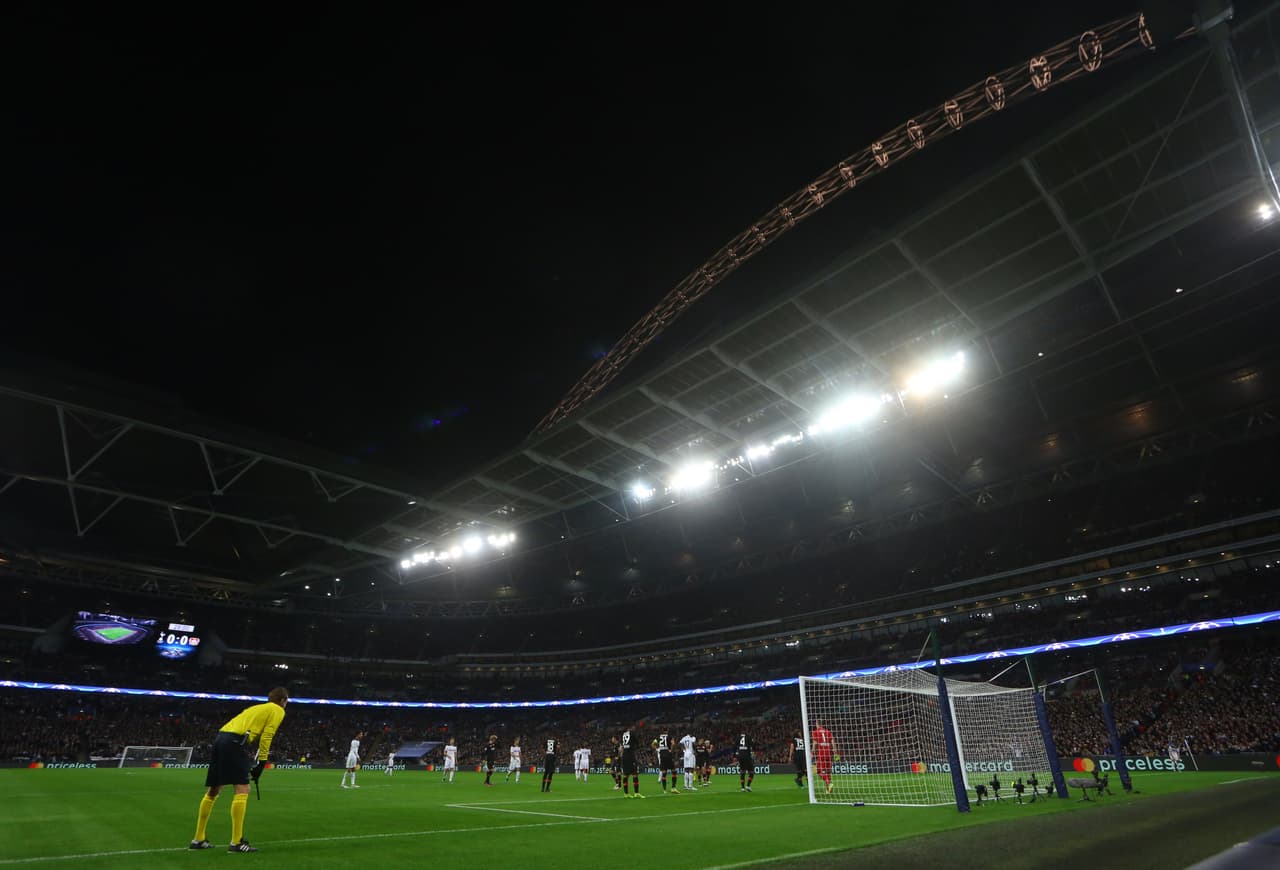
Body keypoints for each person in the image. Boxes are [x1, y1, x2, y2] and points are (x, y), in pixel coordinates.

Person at [189, 686, 288, 854]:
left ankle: (198, 839)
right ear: (283, 700)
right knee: (243, 789)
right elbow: (267, 735)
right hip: (235, 741)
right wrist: (262, 762)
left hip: (221, 737)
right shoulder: (277, 710)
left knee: (214, 790)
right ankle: (236, 842)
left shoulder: (256, 708)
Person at [811, 719, 834, 795]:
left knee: (819, 771)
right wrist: (835, 752)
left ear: (817, 724)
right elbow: (833, 742)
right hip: (829, 754)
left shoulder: (815, 732)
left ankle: (829, 783)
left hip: (822, 754)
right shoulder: (828, 732)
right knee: (828, 772)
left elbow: (815, 743)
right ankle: (829, 790)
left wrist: (812, 752)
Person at [619, 728, 644, 798]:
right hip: (630, 756)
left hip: (624, 756)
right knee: (635, 774)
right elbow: (637, 743)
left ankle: (626, 793)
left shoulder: (623, 735)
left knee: (625, 775)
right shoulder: (632, 734)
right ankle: (636, 793)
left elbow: (621, 747)